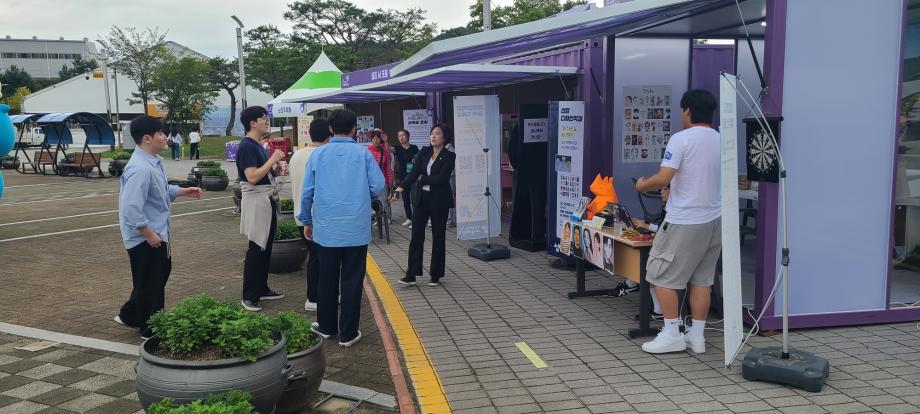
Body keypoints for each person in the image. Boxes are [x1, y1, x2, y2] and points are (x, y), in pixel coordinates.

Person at [635, 90, 721, 354]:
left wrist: (641, 185)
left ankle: (672, 333)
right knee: (702, 280)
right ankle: (697, 337)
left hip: (684, 220)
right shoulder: (720, 139)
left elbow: (663, 178)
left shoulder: (681, 139)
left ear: (687, 111)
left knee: (659, 276)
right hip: (713, 219)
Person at [299, 109, 385, 347]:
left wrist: (306, 220)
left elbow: (307, 192)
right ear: (354, 129)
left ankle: (326, 327)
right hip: (356, 229)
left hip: (326, 229)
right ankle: (348, 333)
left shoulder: (318, 155)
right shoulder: (363, 153)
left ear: (330, 128)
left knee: (326, 279)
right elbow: (378, 185)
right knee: (352, 280)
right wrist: (363, 193)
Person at [116, 115, 202, 338]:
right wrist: (148, 233)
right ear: (147, 138)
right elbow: (130, 208)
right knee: (151, 283)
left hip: (157, 231)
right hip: (145, 236)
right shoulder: (140, 169)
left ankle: (130, 315)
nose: (165, 137)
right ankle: (150, 329)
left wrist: (182, 191)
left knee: (155, 275)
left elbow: (159, 190)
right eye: (161, 133)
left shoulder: (153, 162)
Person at [393, 124, 456, 287]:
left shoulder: (449, 156)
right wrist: (401, 187)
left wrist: (423, 179)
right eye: (431, 133)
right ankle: (411, 274)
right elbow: (414, 172)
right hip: (422, 199)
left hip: (439, 200)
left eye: (437, 134)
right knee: (416, 236)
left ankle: (435, 274)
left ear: (444, 137)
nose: (433, 136)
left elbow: (442, 178)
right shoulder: (424, 152)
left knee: (438, 237)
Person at [236, 106, 287, 312]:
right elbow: (252, 177)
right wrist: (272, 160)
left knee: (265, 246)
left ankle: (261, 288)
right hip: (257, 201)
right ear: (253, 123)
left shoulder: (257, 145)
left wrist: (276, 169)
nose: (267, 121)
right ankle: (249, 295)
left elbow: (262, 173)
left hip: (266, 199)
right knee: (257, 247)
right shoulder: (247, 146)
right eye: (264, 118)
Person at [289, 118, 332, 312]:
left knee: (315, 256)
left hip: (300, 214)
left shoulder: (297, 155)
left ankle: (319, 296)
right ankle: (314, 297)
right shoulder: (324, 156)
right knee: (319, 258)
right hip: (318, 216)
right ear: (329, 134)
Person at [393, 129, 419, 227]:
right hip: (402, 178)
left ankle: (416, 219)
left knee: (414, 199)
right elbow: (389, 149)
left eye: (403, 135)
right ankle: (409, 218)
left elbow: (418, 158)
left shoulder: (414, 148)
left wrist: (415, 159)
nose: (401, 137)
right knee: (405, 200)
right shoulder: (397, 148)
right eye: (399, 136)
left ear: (408, 136)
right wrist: (385, 141)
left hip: (413, 177)